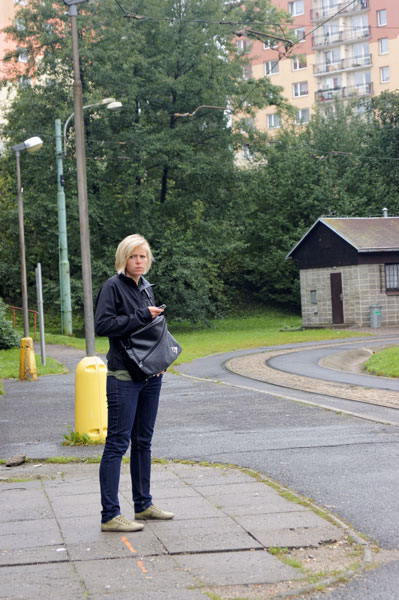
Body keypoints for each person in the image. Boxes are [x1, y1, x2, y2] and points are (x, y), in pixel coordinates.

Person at [95, 234, 175, 532]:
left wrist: (159, 362)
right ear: (123, 258)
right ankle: (110, 515)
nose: (139, 261)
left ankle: (142, 505)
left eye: (143, 257)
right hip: (123, 378)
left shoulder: (146, 288)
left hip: (150, 376)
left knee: (143, 442)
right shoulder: (112, 287)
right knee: (117, 444)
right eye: (133, 257)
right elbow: (104, 325)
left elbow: (150, 332)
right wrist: (142, 314)